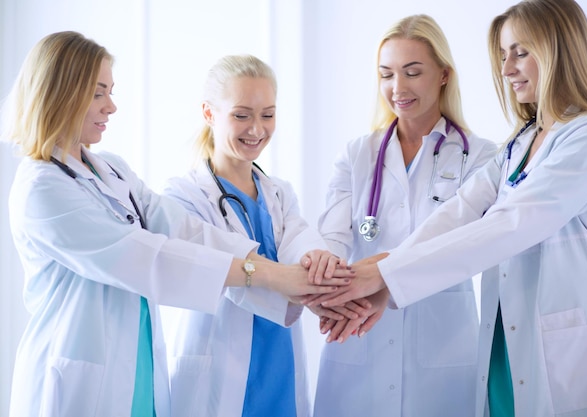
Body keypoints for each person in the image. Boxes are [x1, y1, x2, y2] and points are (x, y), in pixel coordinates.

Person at [2, 32, 350, 417]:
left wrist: (302, 277)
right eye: (99, 93)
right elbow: (148, 258)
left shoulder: (111, 170)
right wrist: (269, 275)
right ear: (62, 92)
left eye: (110, 91)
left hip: (136, 364)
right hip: (76, 376)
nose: (112, 106)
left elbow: (181, 229)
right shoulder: (41, 189)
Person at [314, 1, 587, 416]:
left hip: (564, 345)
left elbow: (511, 225)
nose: (506, 68)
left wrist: (383, 273)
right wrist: (384, 283)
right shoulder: (520, 143)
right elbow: (458, 213)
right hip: (505, 337)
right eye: (503, 55)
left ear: (559, 50)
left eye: (520, 52)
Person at [310, 14, 497, 417]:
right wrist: (329, 278)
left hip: (444, 349)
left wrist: (383, 277)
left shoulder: (480, 157)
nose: (398, 88)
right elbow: (333, 237)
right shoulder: (358, 154)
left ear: (444, 75)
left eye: (413, 72)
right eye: (386, 74)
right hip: (358, 338)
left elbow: (463, 242)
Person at [160, 54, 355, 417]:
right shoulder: (183, 198)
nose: (257, 129)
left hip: (278, 364)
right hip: (218, 369)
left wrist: (322, 267)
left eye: (267, 114)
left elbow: (301, 241)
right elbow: (219, 272)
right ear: (208, 113)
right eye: (241, 114)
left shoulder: (278, 193)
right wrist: (305, 289)